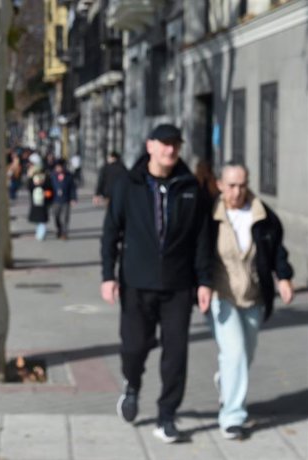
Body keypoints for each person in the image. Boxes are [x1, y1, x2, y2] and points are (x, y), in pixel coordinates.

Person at [100, 123, 212, 443]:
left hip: (178, 286)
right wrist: (108, 275)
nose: (170, 150)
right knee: (134, 347)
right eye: (164, 144)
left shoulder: (190, 187)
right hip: (136, 283)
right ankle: (132, 385)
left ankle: (167, 415)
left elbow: (202, 238)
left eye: (175, 144)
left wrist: (204, 281)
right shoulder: (128, 184)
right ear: (150, 146)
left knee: (176, 354)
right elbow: (111, 232)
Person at [204, 162, 294, 440]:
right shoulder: (209, 215)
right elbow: (197, 251)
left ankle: (225, 380)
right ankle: (233, 417)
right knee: (235, 353)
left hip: (254, 295)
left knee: (246, 354)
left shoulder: (263, 214)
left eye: (242, 184)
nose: (237, 191)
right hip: (222, 295)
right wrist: (199, 284)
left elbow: (277, 249)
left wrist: (284, 277)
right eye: (231, 185)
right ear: (220, 185)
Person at [50, 159, 77, 240]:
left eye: (60, 167)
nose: (59, 169)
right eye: (57, 167)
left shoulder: (69, 176)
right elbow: (48, 187)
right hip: (55, 200)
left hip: (66, 200)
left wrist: (73, 198)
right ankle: (59, 230)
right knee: (56, 217)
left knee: (65, 218)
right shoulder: (52, 176)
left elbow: (73, 188)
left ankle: (64, 233)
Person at [27, 166, 53, 241]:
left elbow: (50, 192)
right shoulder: (33, 185)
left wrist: (48, 197)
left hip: (43, 205)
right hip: (36, 205)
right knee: (38, 221)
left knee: (42, 221)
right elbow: (29, 185)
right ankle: (39, 233)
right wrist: (29, 176)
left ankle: (41, 235)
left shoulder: (46, 183)